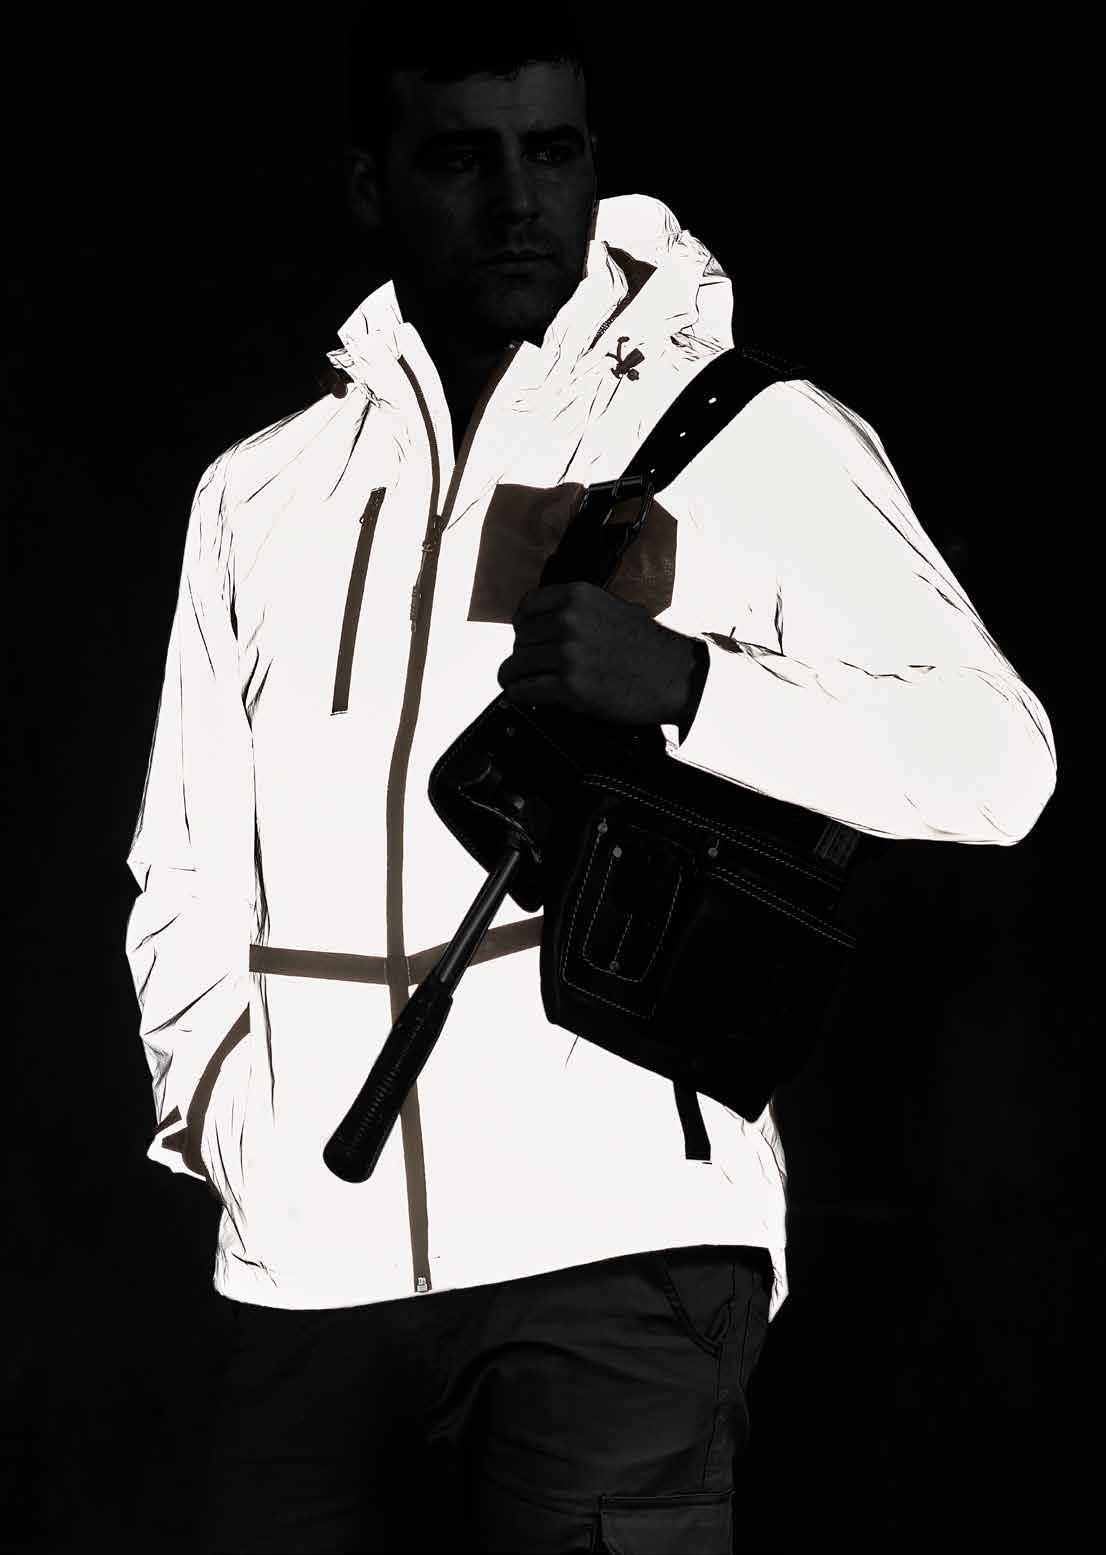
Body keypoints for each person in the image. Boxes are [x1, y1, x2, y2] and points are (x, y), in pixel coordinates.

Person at [122, 14, 1057, 1554]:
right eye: (459, 158)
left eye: (549, 151)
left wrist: (693, 687)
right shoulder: (260, 491)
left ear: (592, 165)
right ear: (371, 185)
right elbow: (186, 853)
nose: (516, 201)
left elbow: (996, 761)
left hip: (617, 1243)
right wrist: (227, 1112)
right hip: (307, 1265)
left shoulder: (742, 437)